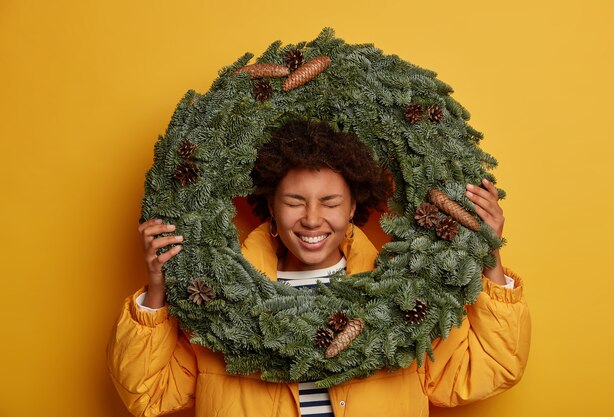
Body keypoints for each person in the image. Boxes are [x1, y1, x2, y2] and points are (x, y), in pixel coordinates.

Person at [107, 119, 530, 417]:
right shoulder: (218, 300)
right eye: (294, 202)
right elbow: (150, 394)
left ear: (353, 207)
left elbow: (485, 372)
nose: (312, 219)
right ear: (269, 206)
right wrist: (158, 289)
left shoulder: (403, 297)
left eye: (330, 203)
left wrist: (487, 255)